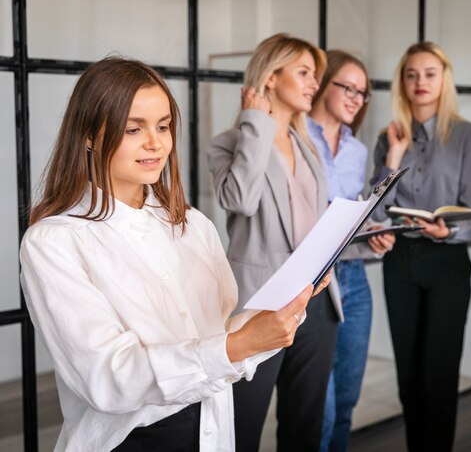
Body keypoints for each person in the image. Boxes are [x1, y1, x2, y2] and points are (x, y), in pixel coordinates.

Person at [19, 57, 326, 452]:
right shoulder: (55, 242)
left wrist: (280, 312)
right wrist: (237, 346)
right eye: (134, 129)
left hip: (213, 430)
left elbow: (219, 334)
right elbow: (108, 378)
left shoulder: (193, 224)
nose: (156, 143)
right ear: (89, 136)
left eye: (163, 126)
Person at [207, 34, 343, 452]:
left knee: (305, 422)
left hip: (316, 299)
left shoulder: (308, 147)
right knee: (243, 424)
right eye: (303, 73)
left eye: (315, 76)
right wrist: (255, 122)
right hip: (259, 305)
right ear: (270, 75)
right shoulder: (229, 143)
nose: (313, 84)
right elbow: (239, 200)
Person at [369, 41, 471, 451]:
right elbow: (377, 208)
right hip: (400, 261)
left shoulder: (468, 135)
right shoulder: (390, 137)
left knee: (438, 376)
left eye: (429, 73)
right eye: (412, 74)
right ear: (402, 81)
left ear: (443, 79)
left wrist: (447, 232)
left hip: (446, 262)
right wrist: (394, 155)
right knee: (408, 376)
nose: (420, 82)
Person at [307, 50, 395, 452]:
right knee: (317, 410)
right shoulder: (296, 136)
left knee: (346, 401)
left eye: (363, 93)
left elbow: (354, 212)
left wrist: (372, 230)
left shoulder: (357, 151)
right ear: (324, 83)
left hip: (354, 277)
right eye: (348, 87)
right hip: (311, 281)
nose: (356, 98)